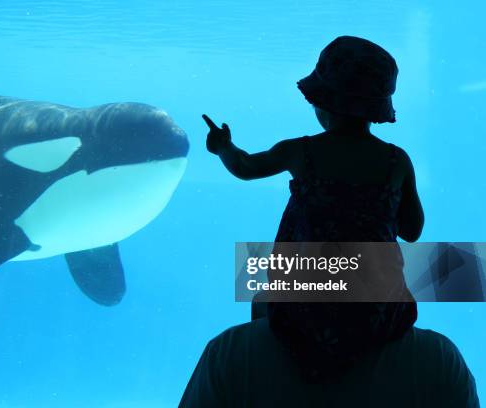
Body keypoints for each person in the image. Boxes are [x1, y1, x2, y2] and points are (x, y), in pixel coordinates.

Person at [180, 36, 479, 407]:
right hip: (376, 299)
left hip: (304, 290)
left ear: (323, 102)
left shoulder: (301, 151)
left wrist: (222, 146)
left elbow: (244, 167)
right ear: (376, 107)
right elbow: (412, 230)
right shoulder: (395, 162)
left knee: (263, 302)